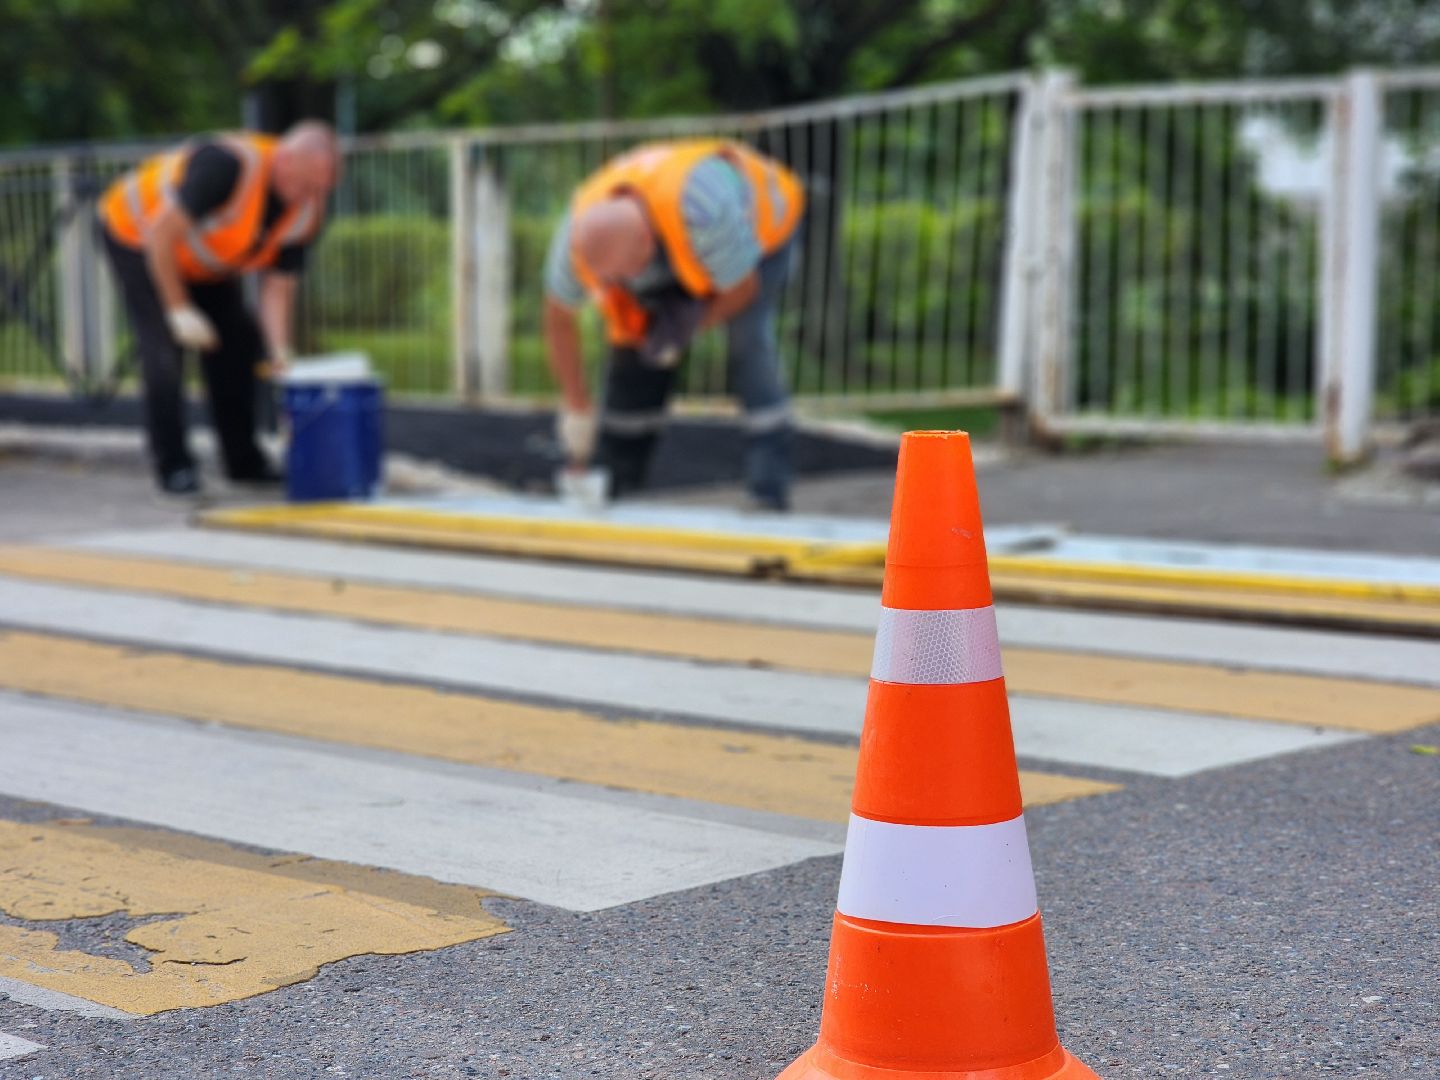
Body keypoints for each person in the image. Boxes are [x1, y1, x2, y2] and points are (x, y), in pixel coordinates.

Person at [543, 139, 805, 509]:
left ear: (647, 243)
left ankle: (768, 487)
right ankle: (616, 480)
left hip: (762, 237)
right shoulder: (576, 240)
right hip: (677, 233)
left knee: (748, 342)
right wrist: (576, 408)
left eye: (625, 274)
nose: (617, 285)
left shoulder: (704, 214)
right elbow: (558, 319)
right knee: (632, 344)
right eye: (609, 280)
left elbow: (742, 290)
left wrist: (683, 329)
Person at [97, 121, 339, 495]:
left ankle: (243, 461)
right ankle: (174, 466)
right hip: (136, 237)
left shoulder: (307, 210)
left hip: (201, 261)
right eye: (306, 185)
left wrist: (279, 349)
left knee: (237, 343)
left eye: (320, 190)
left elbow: (278, 286)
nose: (309, 197)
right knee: (163, 350)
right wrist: (178, 310)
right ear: (286, 160)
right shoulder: (226, 165)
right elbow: (160, 234)